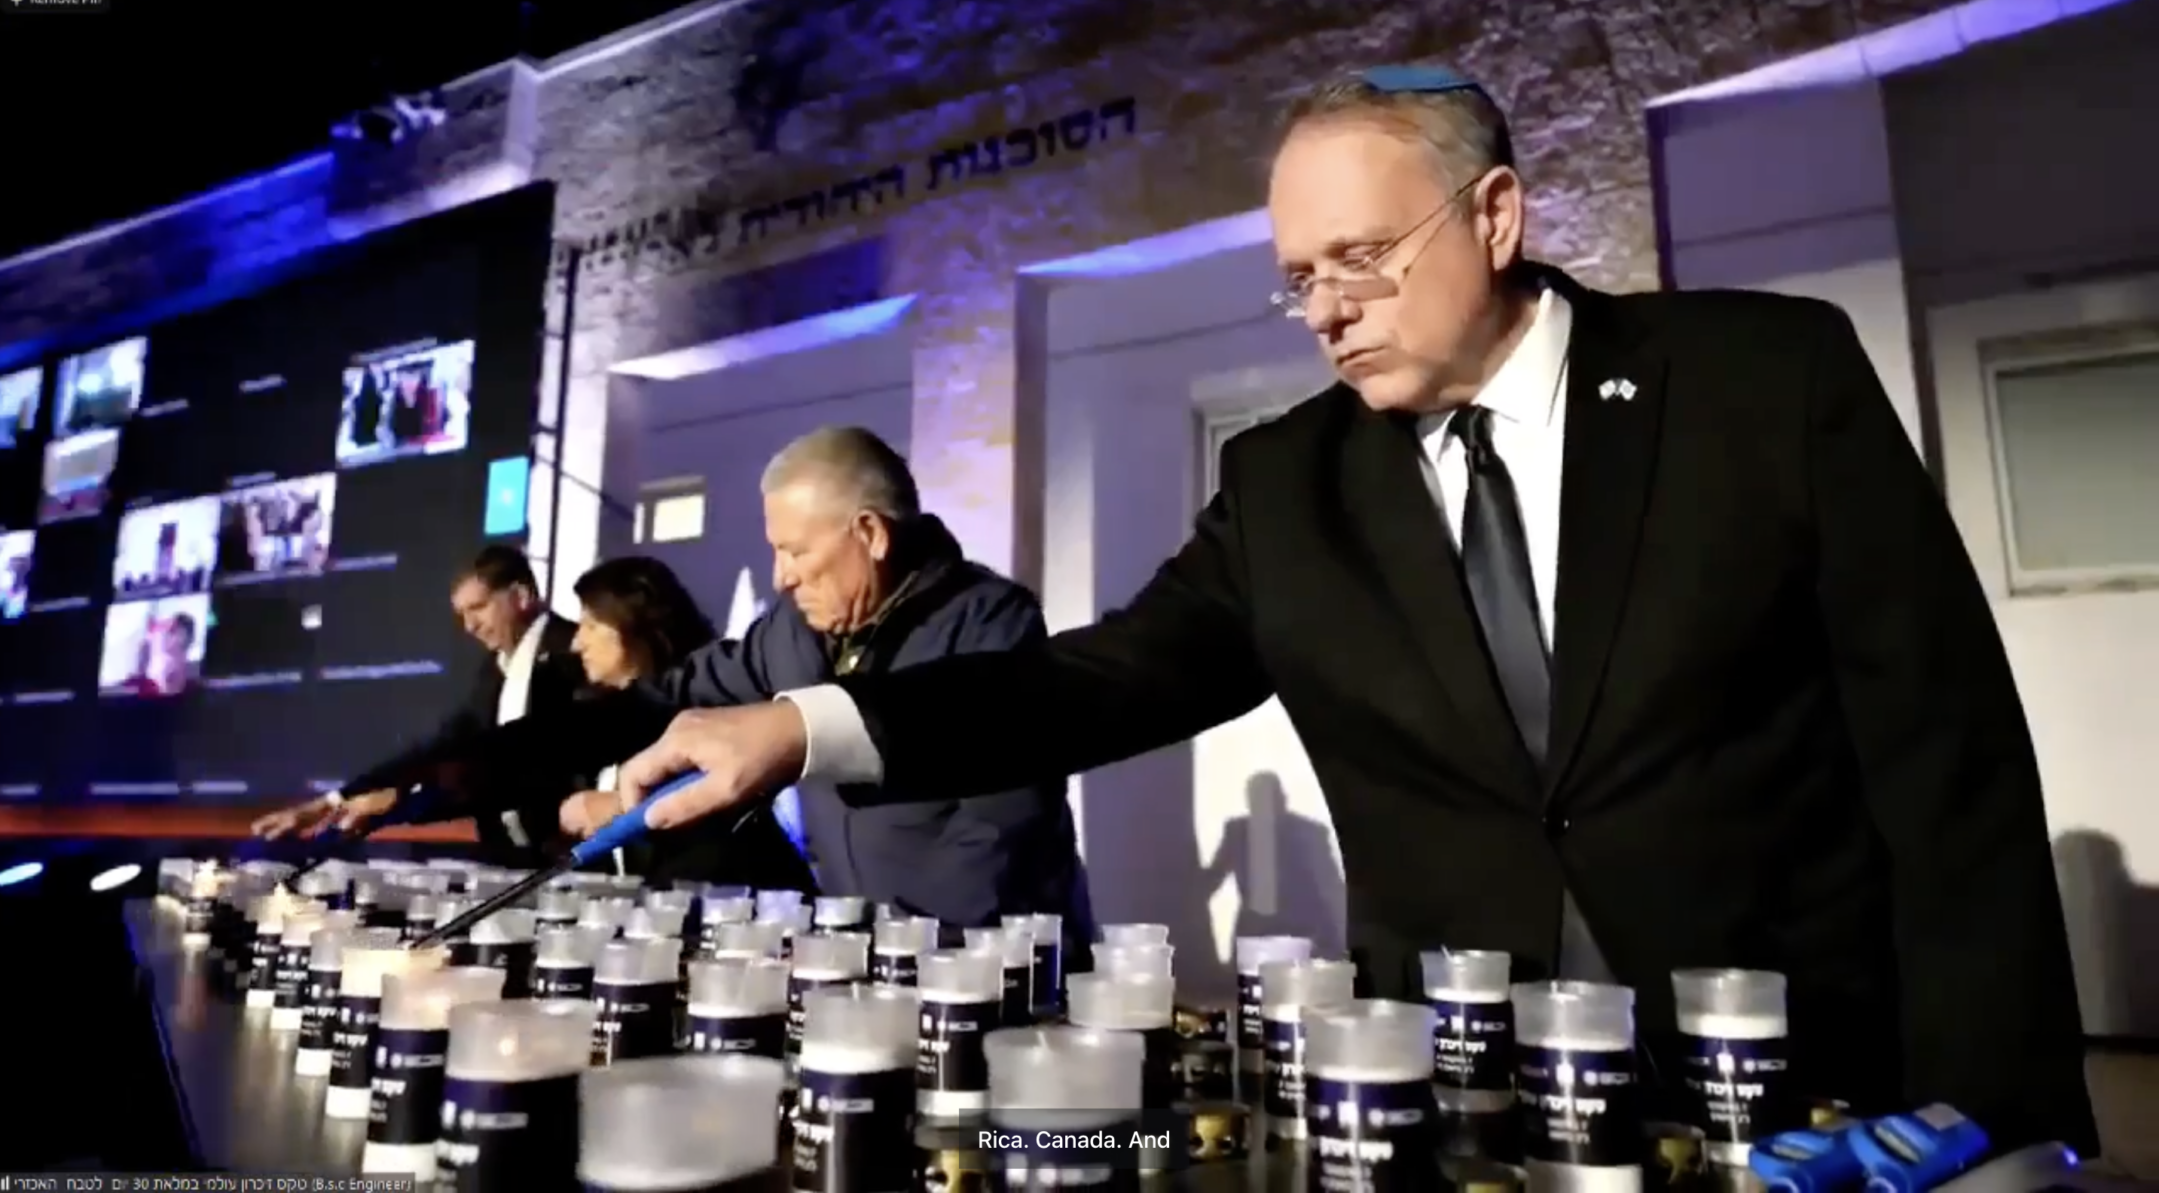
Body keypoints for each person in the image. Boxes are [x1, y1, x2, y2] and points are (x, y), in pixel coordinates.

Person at [606, 68, 2095, 1150]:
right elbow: (1100, 677)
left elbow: (1941, 751)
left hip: (1795, 1081)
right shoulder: (1288, 483)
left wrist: (1992, 1108)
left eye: (1359, 260)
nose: (1324, 310)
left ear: (1495, 212)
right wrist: (805, 725)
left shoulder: (1761, 381)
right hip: (1467, 1098)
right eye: (1295, 280)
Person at [336, 427, 1092, 947]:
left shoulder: (993, 623)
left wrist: (902, 954)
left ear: (869, 534)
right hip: (866, 965)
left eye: (795, 550)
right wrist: (428, 786)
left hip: (989, 969)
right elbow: (646, 709)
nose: (780, 575)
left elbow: (999, 830)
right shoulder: (792, 632)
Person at [248, 545, 582, 866]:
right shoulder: (491, 670)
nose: (469, 626)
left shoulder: (575, 654)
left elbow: (525, 771)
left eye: (477, 608)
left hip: (570, 860)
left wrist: (399, 802)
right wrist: (332, 802)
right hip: (512, 860)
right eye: (462, 615)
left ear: (520, 596)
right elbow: (439, 749)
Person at [556, 554, 815, 892]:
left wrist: (626, 813)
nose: (577, 643)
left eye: (591, 625)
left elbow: (718, 834)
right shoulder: (595, 716)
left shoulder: (706, 712)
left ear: (632, 623)